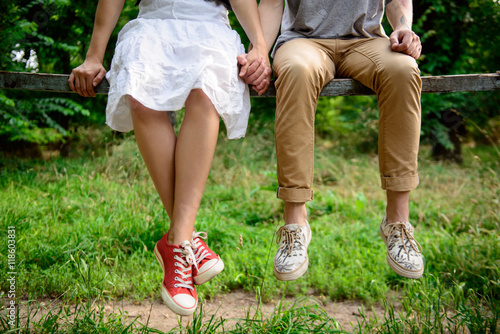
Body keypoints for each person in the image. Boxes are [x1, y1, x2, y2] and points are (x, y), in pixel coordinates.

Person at [69, 0, 270, 316]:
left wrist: (259, 45)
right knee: (140, 97)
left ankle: (176, 242)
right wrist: (93, 56)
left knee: (206, 93)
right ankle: (186, 240)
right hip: (151, 23)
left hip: (210, 27)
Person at [239, 0, 424, 281]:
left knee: (404, 70)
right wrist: (260, 50)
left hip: (368, 40)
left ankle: (397, 222)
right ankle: (295, 226)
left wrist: (403, 28)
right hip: (303, 42)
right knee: (296, 72)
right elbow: (274, 3)